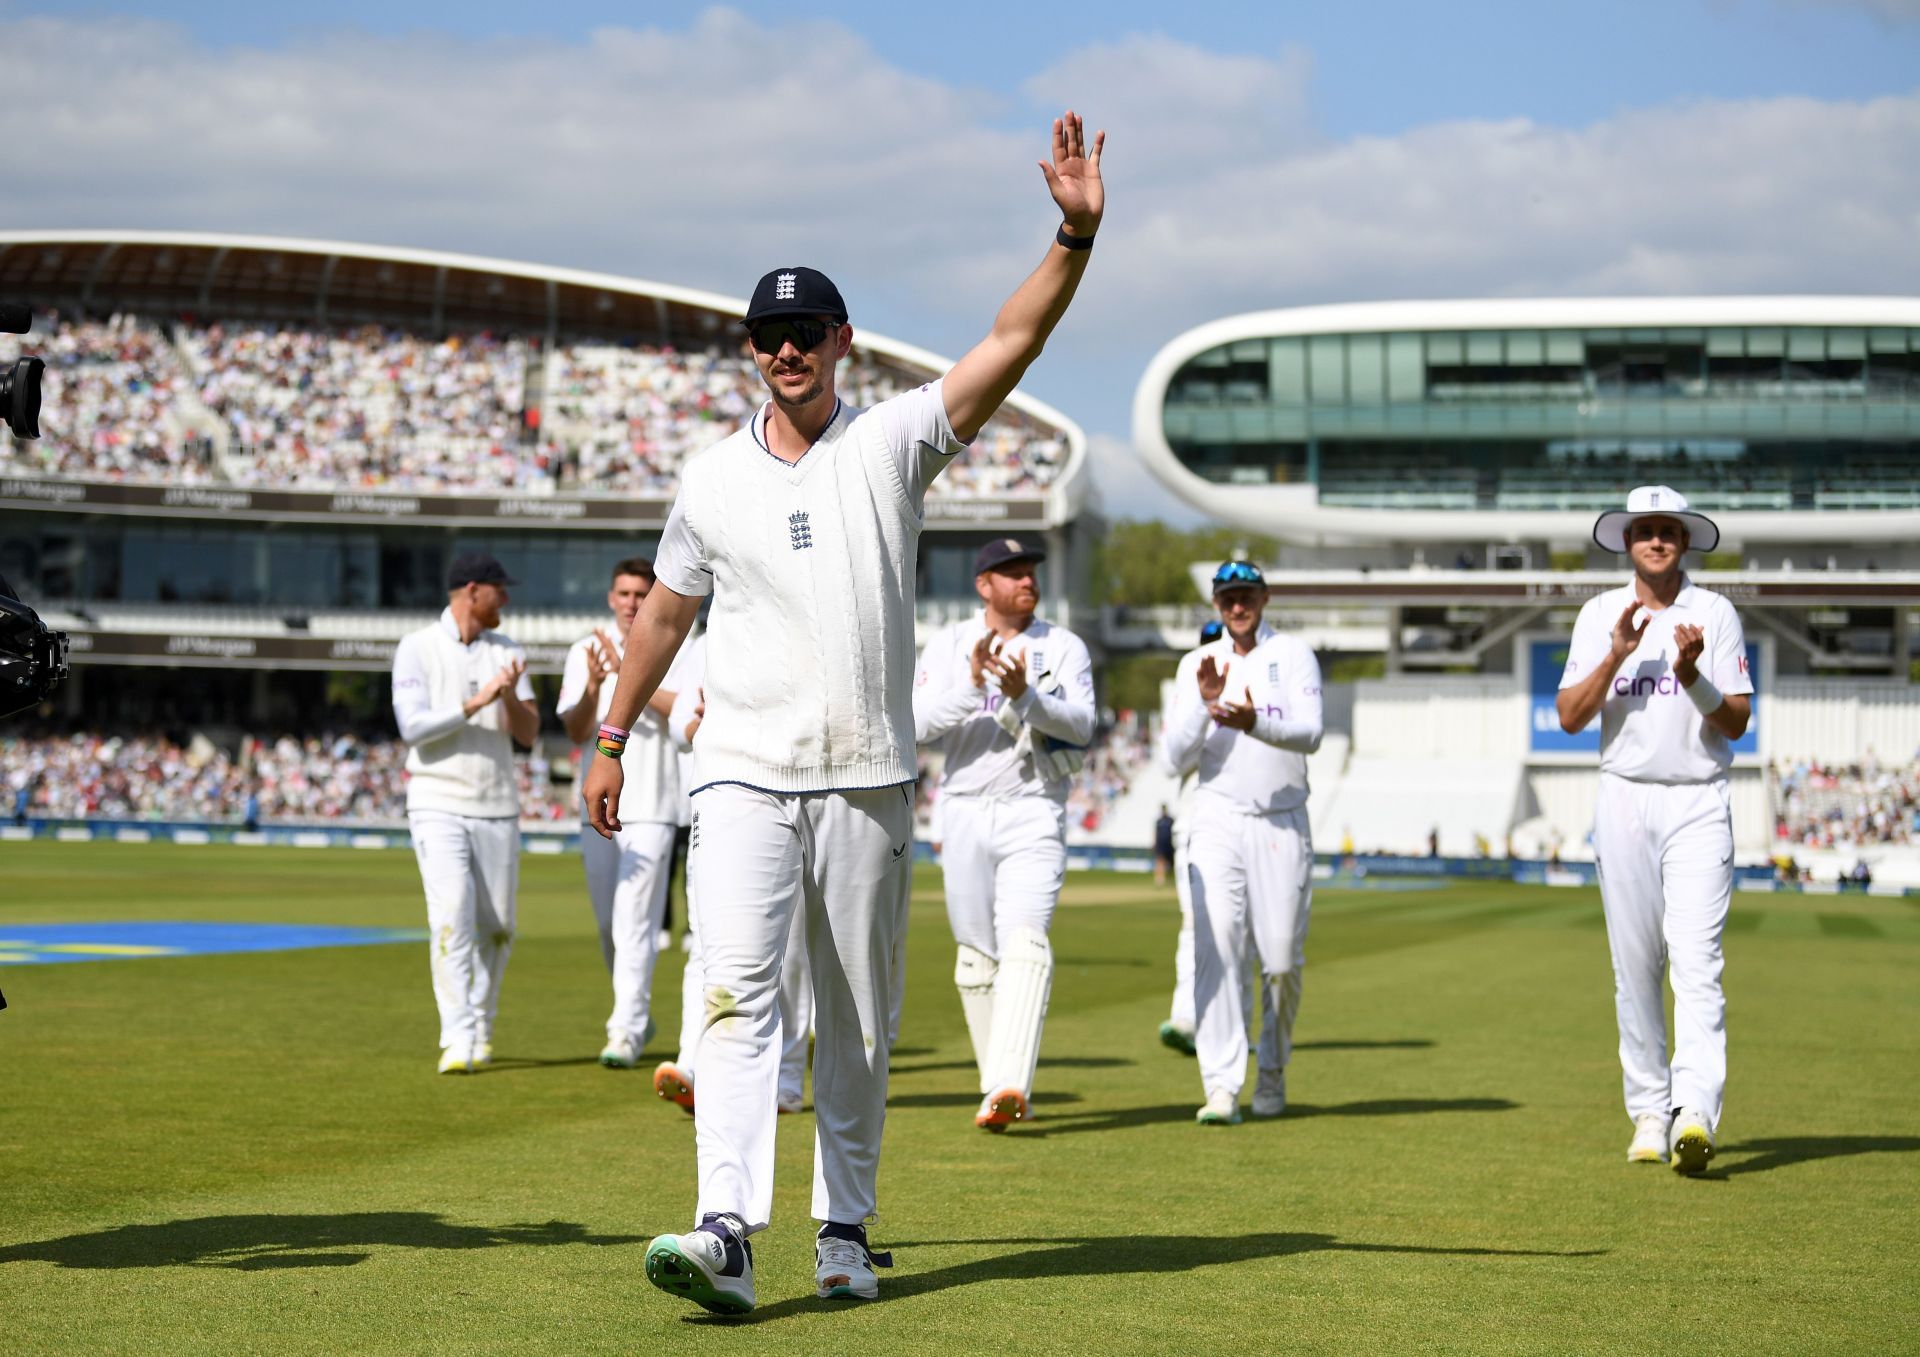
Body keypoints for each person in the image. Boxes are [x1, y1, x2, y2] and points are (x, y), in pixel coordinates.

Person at [579, 111, 1105, 1314]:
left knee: (860, 1020)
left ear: (842, 340)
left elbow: (1009, 342)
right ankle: (725, 1229)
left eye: (804, 331)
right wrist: (610, 737)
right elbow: (662, 616)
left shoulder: (893, 441)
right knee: (730, 991)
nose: (784, 351)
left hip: (866, 771)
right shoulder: (709, 477)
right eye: (767, 336)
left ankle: (846, 1230)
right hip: (742, 766)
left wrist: (1072, 234)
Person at [1556, 485, 1752, 1175]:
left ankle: (1693, 1109)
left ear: (1686, 539)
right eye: (1646, 529)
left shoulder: (1715, 612)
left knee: (1698, 963)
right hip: (1625, 796)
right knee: (1635, 964)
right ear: (1628, 539)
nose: (1658, 539)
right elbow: (1571, 716)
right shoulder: (1601, 613)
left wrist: (1693, 674)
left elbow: (1734, 721)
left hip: (1698, 797)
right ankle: (1648, 1106)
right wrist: (1615, 655)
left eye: (1669, 529)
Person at [912, 537, 1095, 1131]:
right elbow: (915, 725)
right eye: (1011, 573)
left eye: (1031, 572)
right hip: (963, 807)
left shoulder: (1062, 646)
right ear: (983, 585)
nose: (1027, 582)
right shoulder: (948, 643)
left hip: (1033, 804)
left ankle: (1010, 1082)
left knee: (1024, 940)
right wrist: (972, 686)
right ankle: (998, 1087)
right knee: (974, 958)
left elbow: (1082, 724)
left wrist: (1025, 696)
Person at [1161, 561, 1323, 1126]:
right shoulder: (1195, 666)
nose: (1238, 606)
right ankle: (1222, 1085)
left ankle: (1272, 1072)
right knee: (1218, 947)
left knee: (1279, 960)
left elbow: (1311, 733)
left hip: (1281, 819)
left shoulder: (1293, 655)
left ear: (1264, 597)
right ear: (1216, 603)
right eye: (1228, 598)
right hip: (1218, 817)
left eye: (1246, 595)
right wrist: (1207, 710)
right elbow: (1172, 760)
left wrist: (1255, 722)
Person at [655, 632, 814, 1118]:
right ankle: (693, 1065)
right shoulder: (711, 639)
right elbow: (681, 718)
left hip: (798, 794)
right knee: (707, 942)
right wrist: (694, 725)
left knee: (790, 953)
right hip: (721, 797)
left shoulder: (807, 623)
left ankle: (786, 1078)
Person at [390, 551, 538, 1075]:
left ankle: (481, 1023)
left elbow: (528, 734)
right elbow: (413, 728)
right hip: (436, 800)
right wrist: (479, 702)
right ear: (473, 591)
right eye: (501, 589)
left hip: (497, 803)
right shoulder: (417, 648)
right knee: (452, 915)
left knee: (499, 927)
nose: (507, 599)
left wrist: (510, 698)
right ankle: (456, 1035)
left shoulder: (508, 650)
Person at [555, 558, 688, 1070]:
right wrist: (595, 685)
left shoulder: (674, 644)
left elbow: (684, 710)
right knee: (610, 922)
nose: (632, 603)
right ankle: (633, 1013)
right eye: (625, 594)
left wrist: (631, 675)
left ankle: (625, 1030)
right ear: (611, 598)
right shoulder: (584, 651)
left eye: (640, 594)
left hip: (653, 802)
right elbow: (574, 731)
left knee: (636, 921)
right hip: (597, 802)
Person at [1152, 804, 1175, 886]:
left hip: (1169, 844)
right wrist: (1154, 843)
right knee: (1160, 862)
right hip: (1160, 844)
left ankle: (1171, 880)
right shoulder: (1159, 821)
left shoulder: (1171, 820)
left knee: (1171, 864)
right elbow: (1155, 833)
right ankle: (1159, 880)